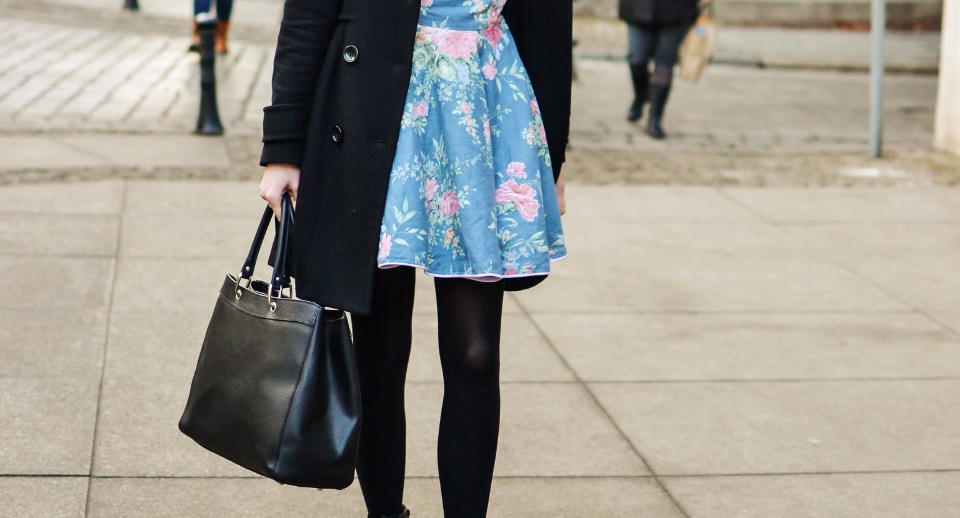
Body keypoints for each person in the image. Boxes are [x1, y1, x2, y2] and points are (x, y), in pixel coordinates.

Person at [257, 0, 571, 516]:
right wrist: (284, 146)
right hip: (373, 112)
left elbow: (549, 22)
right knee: (379, 350)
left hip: (486, 109)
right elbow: (308, 15)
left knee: (476, 353)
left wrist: (550, 154)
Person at [619, 0, 700, 138]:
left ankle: (655, 118)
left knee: (664, 66)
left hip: (677, 11)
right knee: (636, 59)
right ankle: (641, 95)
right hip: (637, 8)